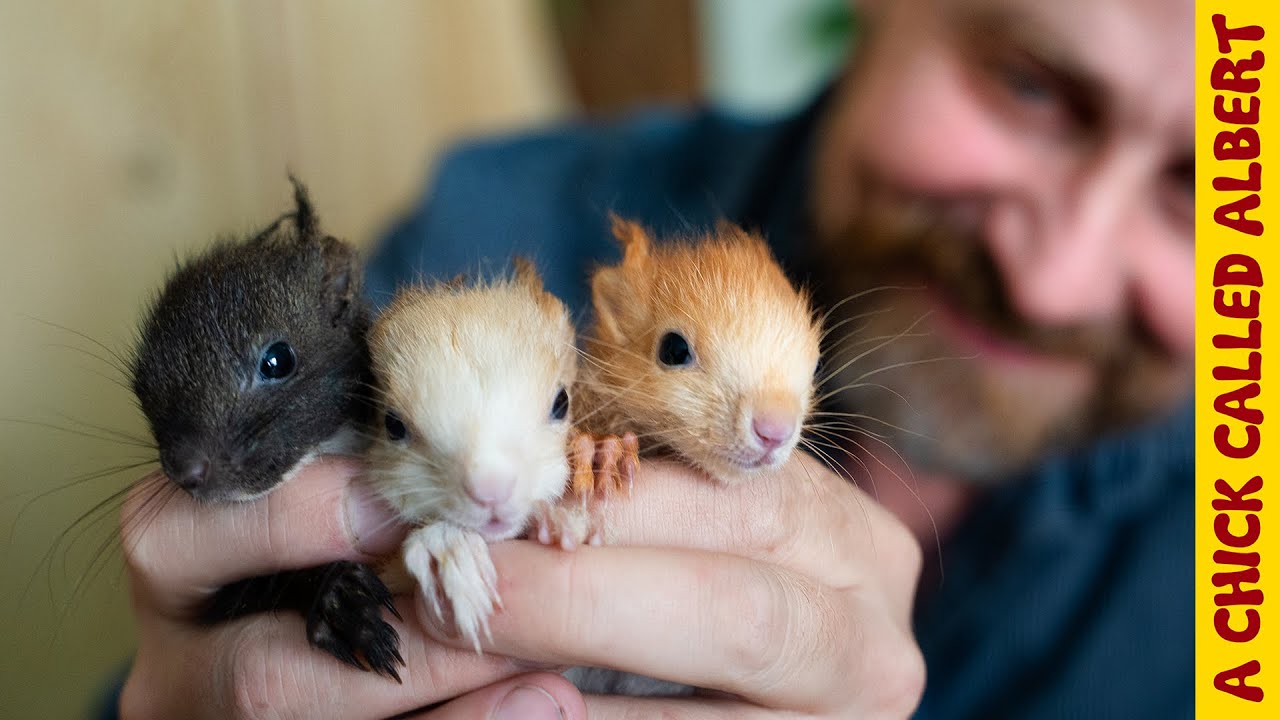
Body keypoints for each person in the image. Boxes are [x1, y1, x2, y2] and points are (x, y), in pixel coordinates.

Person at [106, 0, 1193, 717]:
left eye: (1202, 188)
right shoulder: (485, 232)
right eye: (1030, 87)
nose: (1056, 276)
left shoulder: (1242, 556)